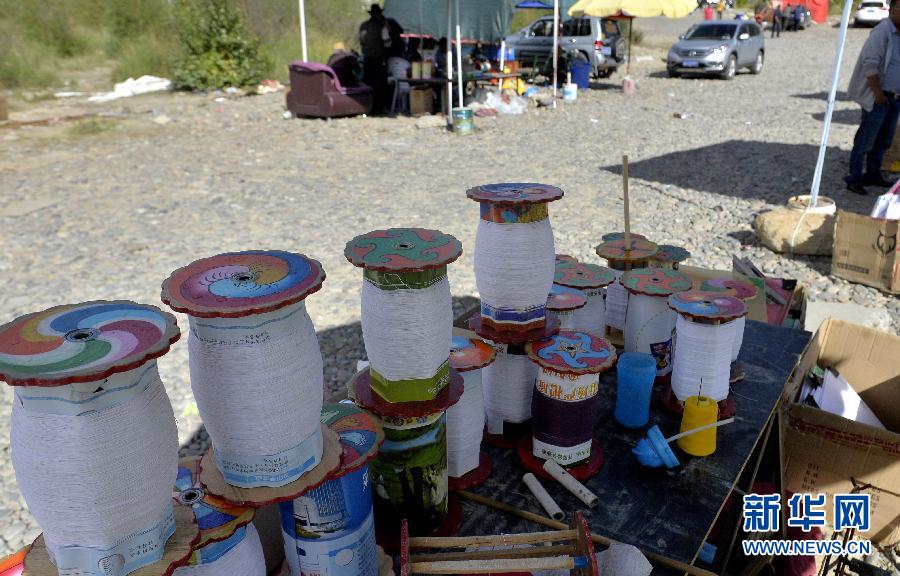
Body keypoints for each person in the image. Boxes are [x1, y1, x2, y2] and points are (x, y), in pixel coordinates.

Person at [845, 0, 900, 194]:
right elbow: (870, 64)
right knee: (866, 140)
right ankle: (854, 178)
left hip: (894, 97)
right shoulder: (882, 32)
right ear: (892, 10)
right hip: (879, 97)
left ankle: (873, 174)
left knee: (884, 140)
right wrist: (877, 92)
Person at [359, 4, 389, 113]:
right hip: (378, 60)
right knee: (379, 85)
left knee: (368, 83)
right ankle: (379, 107)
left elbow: (361, 41)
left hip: (367, 59)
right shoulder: (382, 27)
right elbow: (387, 43)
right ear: (379, 14)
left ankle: (367, 107)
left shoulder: (363, 26)